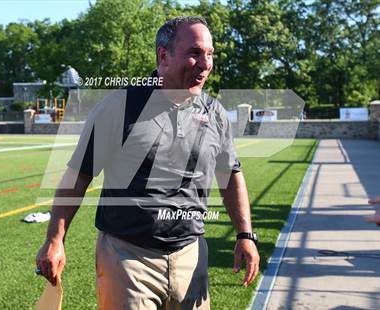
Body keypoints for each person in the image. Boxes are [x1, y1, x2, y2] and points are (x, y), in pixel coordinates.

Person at [36, 16, 260, 309]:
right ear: (164, 56)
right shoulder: (119, 107)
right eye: (194, 53)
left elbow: (230, 175)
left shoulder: (214, 112)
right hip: (128, 258)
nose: (205, 64)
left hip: (191, 254)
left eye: (209, 54)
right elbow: (77, 177)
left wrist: (245, 234)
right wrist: (55, 239)